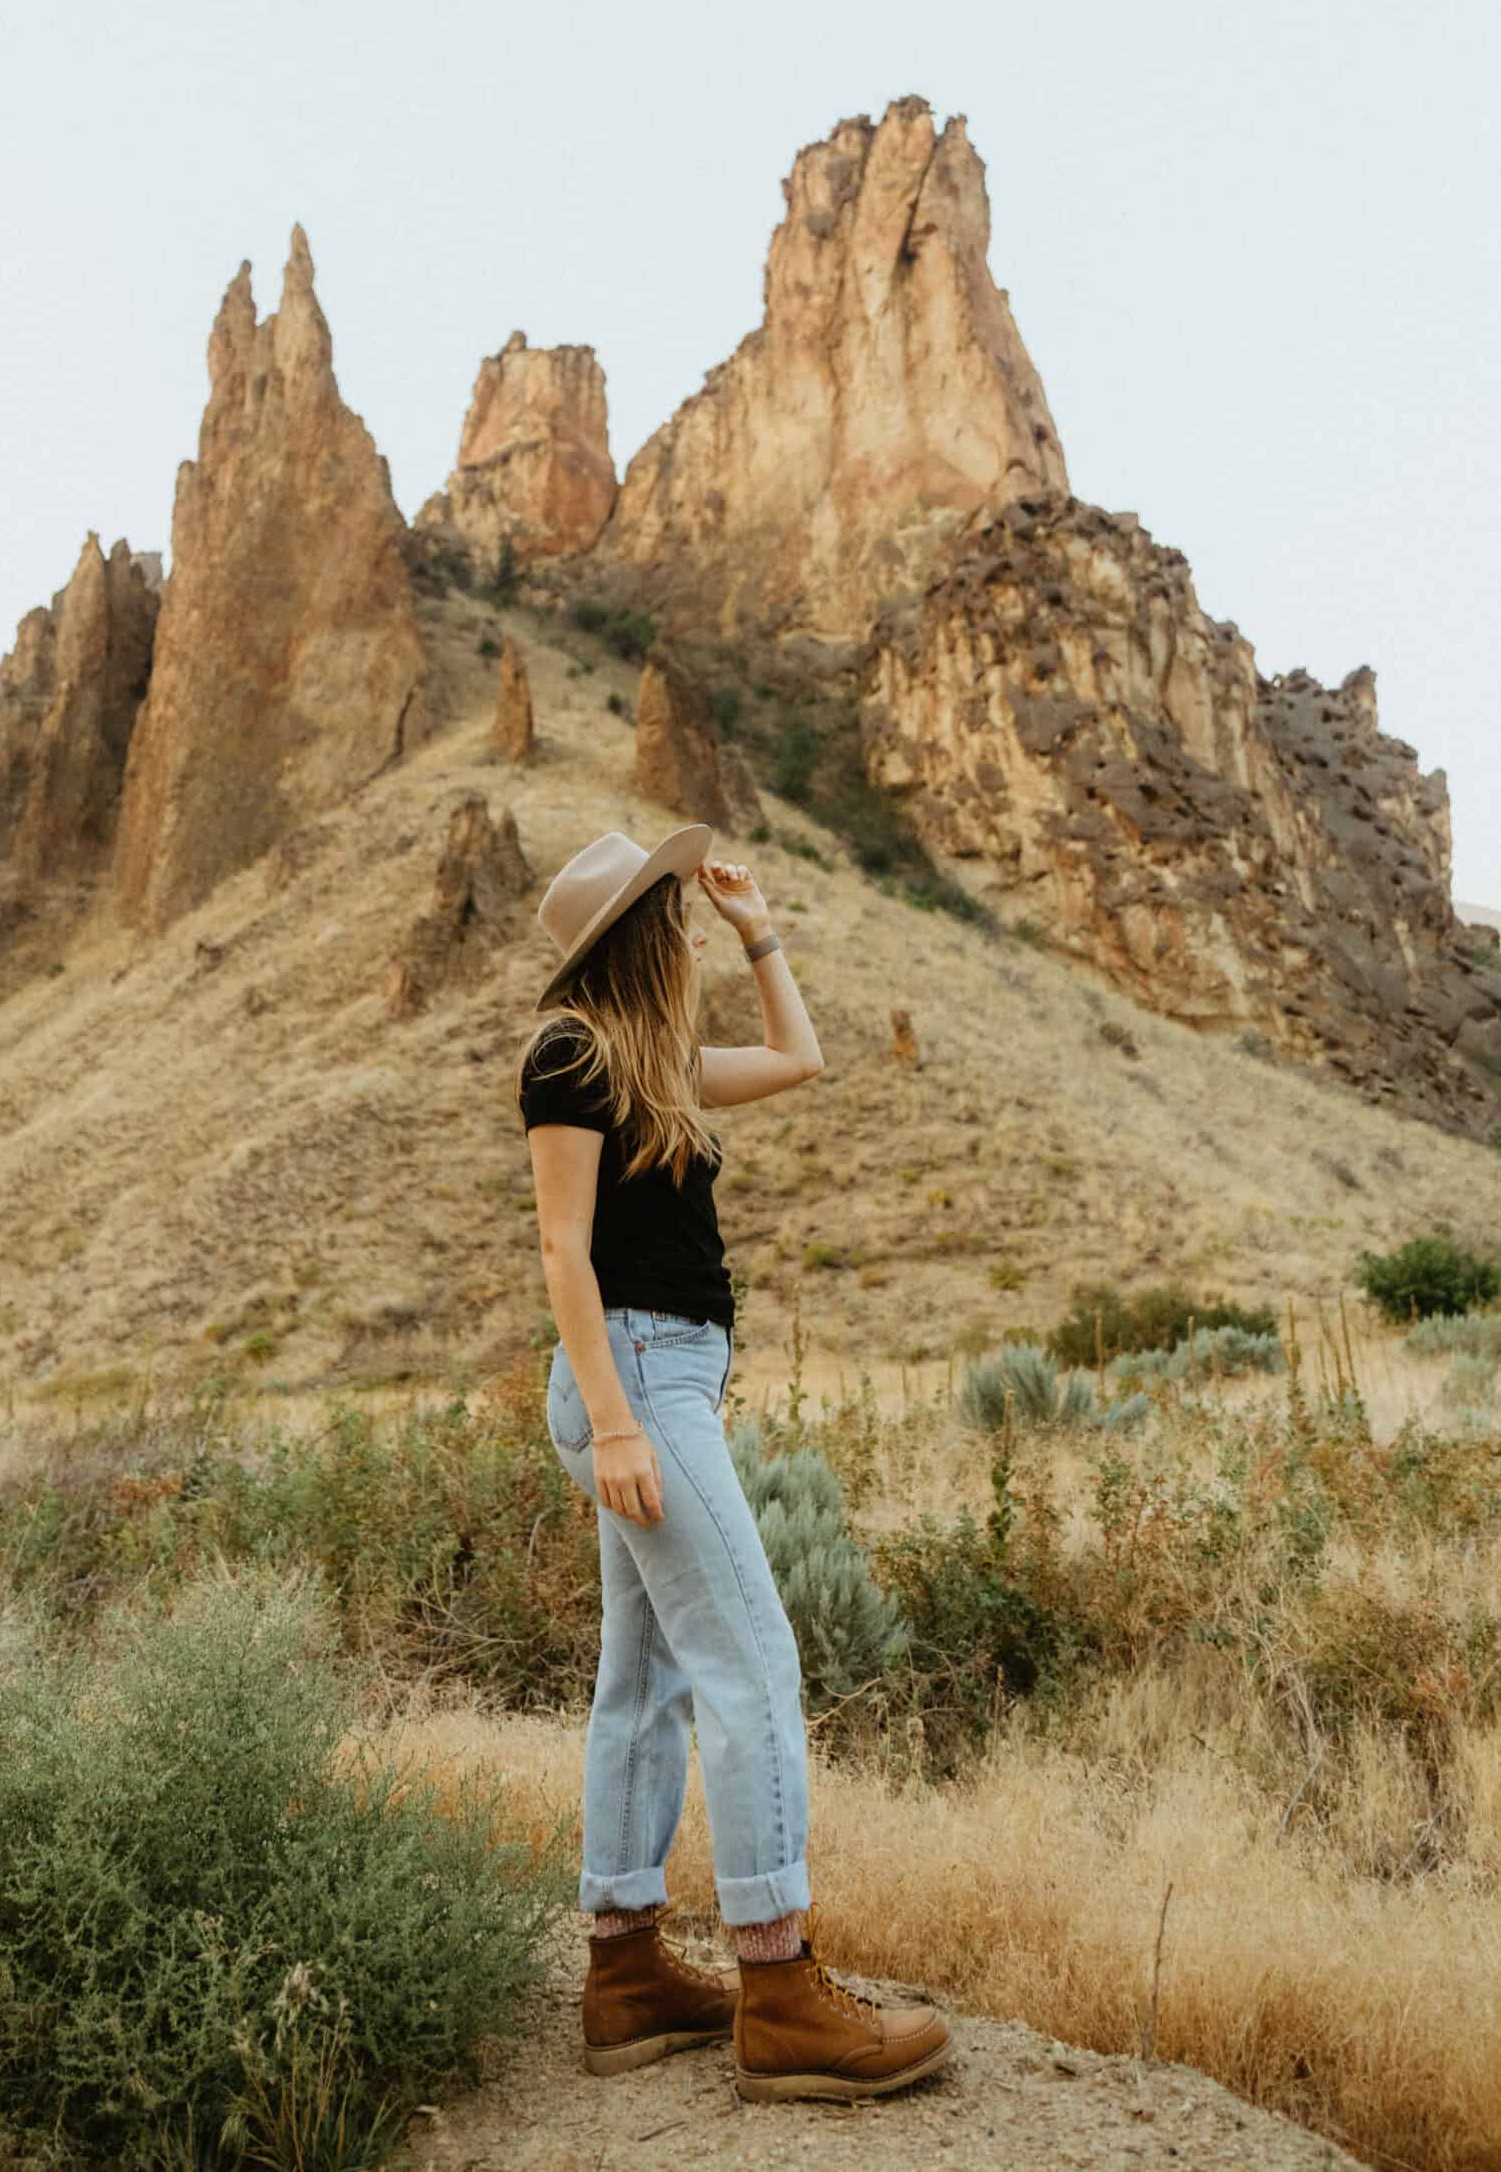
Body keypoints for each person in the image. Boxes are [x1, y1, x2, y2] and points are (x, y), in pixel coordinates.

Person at [516, 823, 953, 2103]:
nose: (689, 921)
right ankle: (779, 1985)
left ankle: (628, 1971)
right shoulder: (571, 1052)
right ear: (637, 932)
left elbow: (805, 1055)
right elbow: (562, 1251)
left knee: (646, 1675)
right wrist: (611, 1421)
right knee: (755, 1657)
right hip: (637, 1380)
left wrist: (763, 927)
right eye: (678, 907)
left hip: (666, 1379)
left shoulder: (659, 1065)